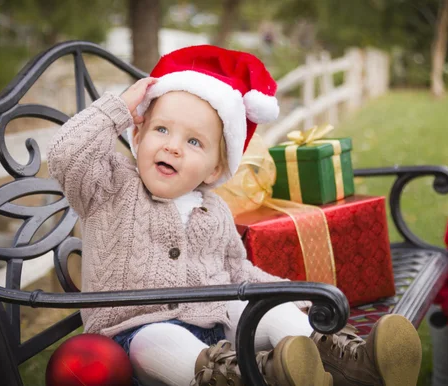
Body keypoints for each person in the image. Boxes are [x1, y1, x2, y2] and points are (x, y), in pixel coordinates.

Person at [48, 45, 422, 386]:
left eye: (194, 141)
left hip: (217, 321)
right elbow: (66, 154)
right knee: (162, 338)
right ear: (139, 135)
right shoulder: (110, 185)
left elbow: (239, 271)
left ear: (214, 170)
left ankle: (353, 363)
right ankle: (256, 375)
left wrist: (289, 295)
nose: (172, 147)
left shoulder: (214, 210)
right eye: (161, 129)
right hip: (134, 334)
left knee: (271, 313)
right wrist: (117, 108)